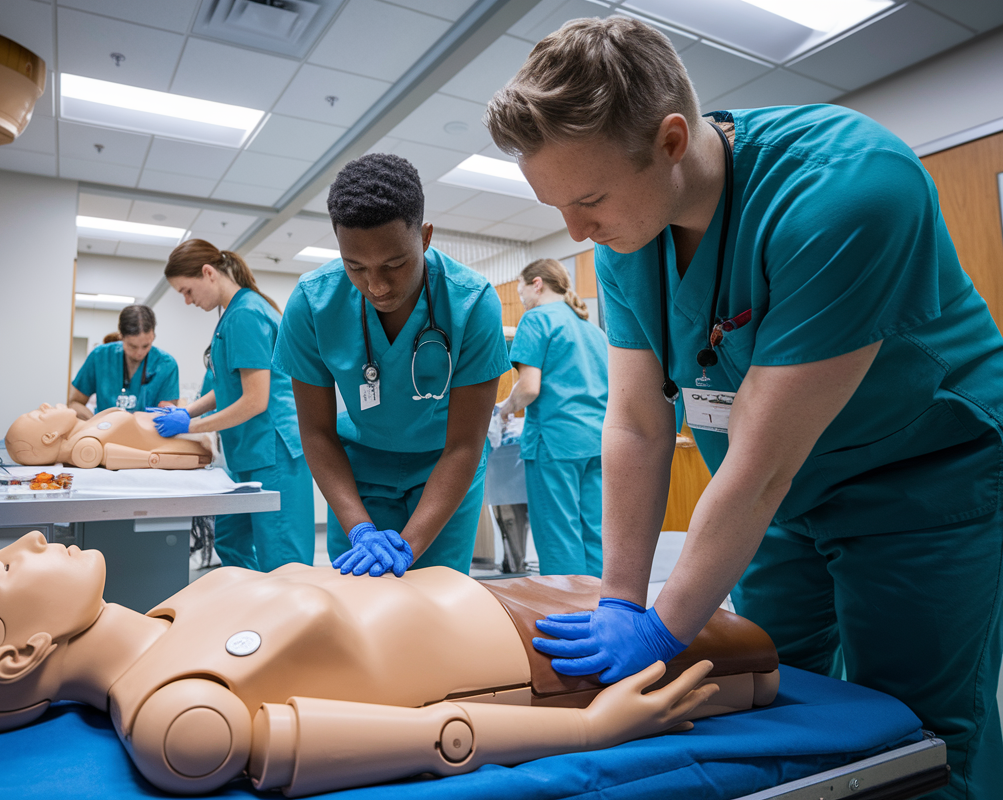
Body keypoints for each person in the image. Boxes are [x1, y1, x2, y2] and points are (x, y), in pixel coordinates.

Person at [485, 17, 1003, 800]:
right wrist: (623, 598)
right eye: (557, 206)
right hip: (782, 500)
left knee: (919, 729)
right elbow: (635, 420)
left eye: (588, 200)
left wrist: (664, 631)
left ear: (669, 140)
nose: (576, 232)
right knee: (766, 690)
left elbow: (761, 464)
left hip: (920, 476)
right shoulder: (633, 232)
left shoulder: (848, 188)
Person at [0, 531, 780, 796]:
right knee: (758, 650)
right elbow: (428, 738)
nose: (27, 538)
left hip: (506, 594)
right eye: (2, 566)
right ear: (22, 653)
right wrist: (588, 727)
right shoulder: (176, 720)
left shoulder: (165, 617)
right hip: (543, 661)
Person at [273, 154, 510, 577]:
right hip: (358, 472)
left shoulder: (472, 303)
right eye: (355, 267)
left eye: (395, 264)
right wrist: (361, 529)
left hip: (444, 468)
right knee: (359, 610)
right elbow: (316, 431)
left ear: (425, 237)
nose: (376, 286)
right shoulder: (312, 303)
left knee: (436, 608)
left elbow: (464, 445)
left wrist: (409, 544)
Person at [154, 241, 314, 572]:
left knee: (283, 560)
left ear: (208, 273)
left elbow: (256, 400)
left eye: (187, 291)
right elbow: (229, 387)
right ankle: (254, 602)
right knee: (228, 538)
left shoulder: (246, 314)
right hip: (247, 453)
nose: (187, 301)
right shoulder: (232, 315)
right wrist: (188, 411)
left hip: (273, 454)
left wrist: (190, 427)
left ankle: (286, 617)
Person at [496, 258, 609, 576]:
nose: (520, 296)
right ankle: (599, 610)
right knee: (594, 532)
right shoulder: (593, 330)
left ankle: (567, 612)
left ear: (536, 283)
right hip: (597, 443)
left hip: (555, 443)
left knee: (558, 533)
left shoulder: (536, 321)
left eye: (520, 288)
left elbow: (529, 389)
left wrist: (505, 408)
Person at [4, 403, 212, 470]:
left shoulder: (85, 430)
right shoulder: (87, 444)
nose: (44, 406)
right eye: (40, 414)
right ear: (50, 436)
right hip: (179, 441)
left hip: (173, 429)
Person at [69, 305, 180, 419]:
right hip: (105, 432)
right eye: (132, 346)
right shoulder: (100, 356)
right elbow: (74, 403)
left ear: (153, 336)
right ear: (121, 336)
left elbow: (168, 415)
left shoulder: (167, 365)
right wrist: (95, 423)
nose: (139, 353)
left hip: (146, 435)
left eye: (146, 346)